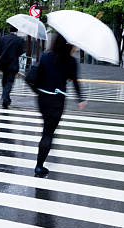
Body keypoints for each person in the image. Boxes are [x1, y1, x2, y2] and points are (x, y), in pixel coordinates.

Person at [33, 34, 86, 178]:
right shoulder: (70, 61)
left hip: (42, 98)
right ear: (69, 45)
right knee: (48, 133)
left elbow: (38, 76)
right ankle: (39, 166)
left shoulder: (46, 56)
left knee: (46, 130)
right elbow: (75, 81)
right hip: (57, 100)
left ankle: (39, 164)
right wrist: (80, 99)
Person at [0, 25, 24, 109]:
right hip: (13, 63)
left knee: (4, 80)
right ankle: (5, 98)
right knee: (9, 82)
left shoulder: (3, 38)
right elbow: (21, 52)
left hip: (3, 63)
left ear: (9, 30)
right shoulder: (19, 40)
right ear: (17, 31)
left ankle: (5, 98)